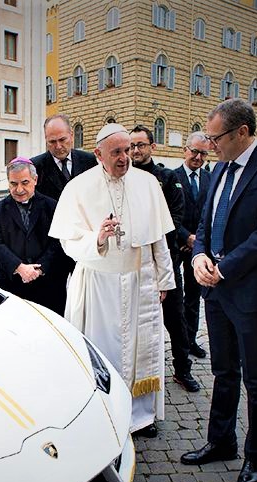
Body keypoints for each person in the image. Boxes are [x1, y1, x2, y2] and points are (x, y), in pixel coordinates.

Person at [180, 99, 257, 482]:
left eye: (216, 138)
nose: (210, 145)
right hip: (215, 290)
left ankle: (254, 456)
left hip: (251, 291)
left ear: (242, 132)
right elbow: (204, 221)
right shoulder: (217, 169)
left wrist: (223, 266)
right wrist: (198, 256)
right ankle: (221, 441)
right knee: (223, 371)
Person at [49, 123, 175, 438]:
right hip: (98, 284)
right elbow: (68, 241)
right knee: (104, 350)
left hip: (139, 281)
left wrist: (164, 280)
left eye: (128, 150)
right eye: (116, 152)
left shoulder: (147, 183)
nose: (124, 158)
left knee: (140, 349)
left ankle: (142, 416)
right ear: (98, 154)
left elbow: (158, 238)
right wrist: (98, 238)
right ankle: (106, 412)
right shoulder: (79, 187)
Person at [130, 125, 200, 394]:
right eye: (132, 146)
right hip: (133, 266)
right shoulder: (124, 178)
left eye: (141, 145)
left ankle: (182, 370)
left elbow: (174, 219)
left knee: (176, 318)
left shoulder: (167, 178)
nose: (136, 151)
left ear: (152, 147)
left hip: (163, 262)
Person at [0, 158, 71, 315]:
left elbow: (58, 242)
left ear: (35, 180)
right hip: (12, 284)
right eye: (13, 183)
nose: (19, 189)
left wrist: (40, 269)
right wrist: (19, 267)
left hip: (49, 284)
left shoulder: (51, 206)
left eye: (25, 182)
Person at [172, 132, 212, 360]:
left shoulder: (209, 178)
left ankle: (191, 339)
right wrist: (186, 237)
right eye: (194, 151)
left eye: (203, 153)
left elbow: (209, 213)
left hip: (199, 248)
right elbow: (169, 213)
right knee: (177, 297)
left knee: (194, 297)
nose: (198, 157)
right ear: (185, 150)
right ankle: (180, 342)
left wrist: (198, 241)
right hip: (178, 245)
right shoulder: (172, 176)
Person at [31, 114, 97, 201]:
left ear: (72, 136)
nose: (58, 146)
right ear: (46, 140)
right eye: (52, 141)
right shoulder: (35, 167)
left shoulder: (89, 161)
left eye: (62, 140)